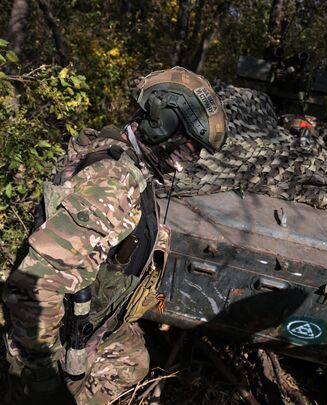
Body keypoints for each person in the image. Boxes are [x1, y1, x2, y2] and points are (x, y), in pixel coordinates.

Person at [2, 66, 226, 404]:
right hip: (46, 342)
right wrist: (46, 382)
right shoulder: (113, 185)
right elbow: (34, 287)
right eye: (191, 146)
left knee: (133, 360)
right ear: (162, 123)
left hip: (83, 320)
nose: (192, 158)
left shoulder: (117, 152)